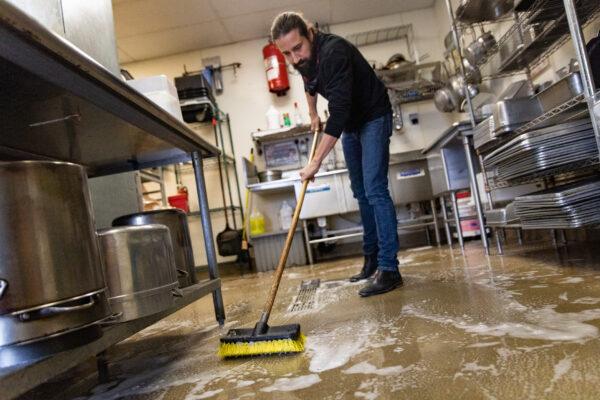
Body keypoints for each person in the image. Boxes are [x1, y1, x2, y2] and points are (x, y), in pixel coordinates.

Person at [270, 12, 402, 297]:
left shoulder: (334, 52)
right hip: (353, 124)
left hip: (373, 116)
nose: (294, 58)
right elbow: (309, 84)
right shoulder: (303, 60)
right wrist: (313, 113)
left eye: (297, 48)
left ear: (310, 33)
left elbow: (339, 114)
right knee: (361, 192)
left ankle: (389, 269)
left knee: (375, 189)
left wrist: (315, 162)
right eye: (287, 53)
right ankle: (371, 261)